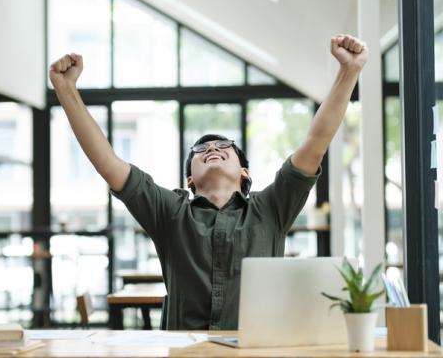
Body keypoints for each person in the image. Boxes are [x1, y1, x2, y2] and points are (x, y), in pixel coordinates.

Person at [49, 34, 368, 330]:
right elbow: (108, 163)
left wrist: (349, 71)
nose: (212, 149)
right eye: (200, 150)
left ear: (244, 172)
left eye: (223, 146)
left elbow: (316, 141)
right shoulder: (170, 211)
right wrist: (67, 90)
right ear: (190, 178)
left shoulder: (272, 207)